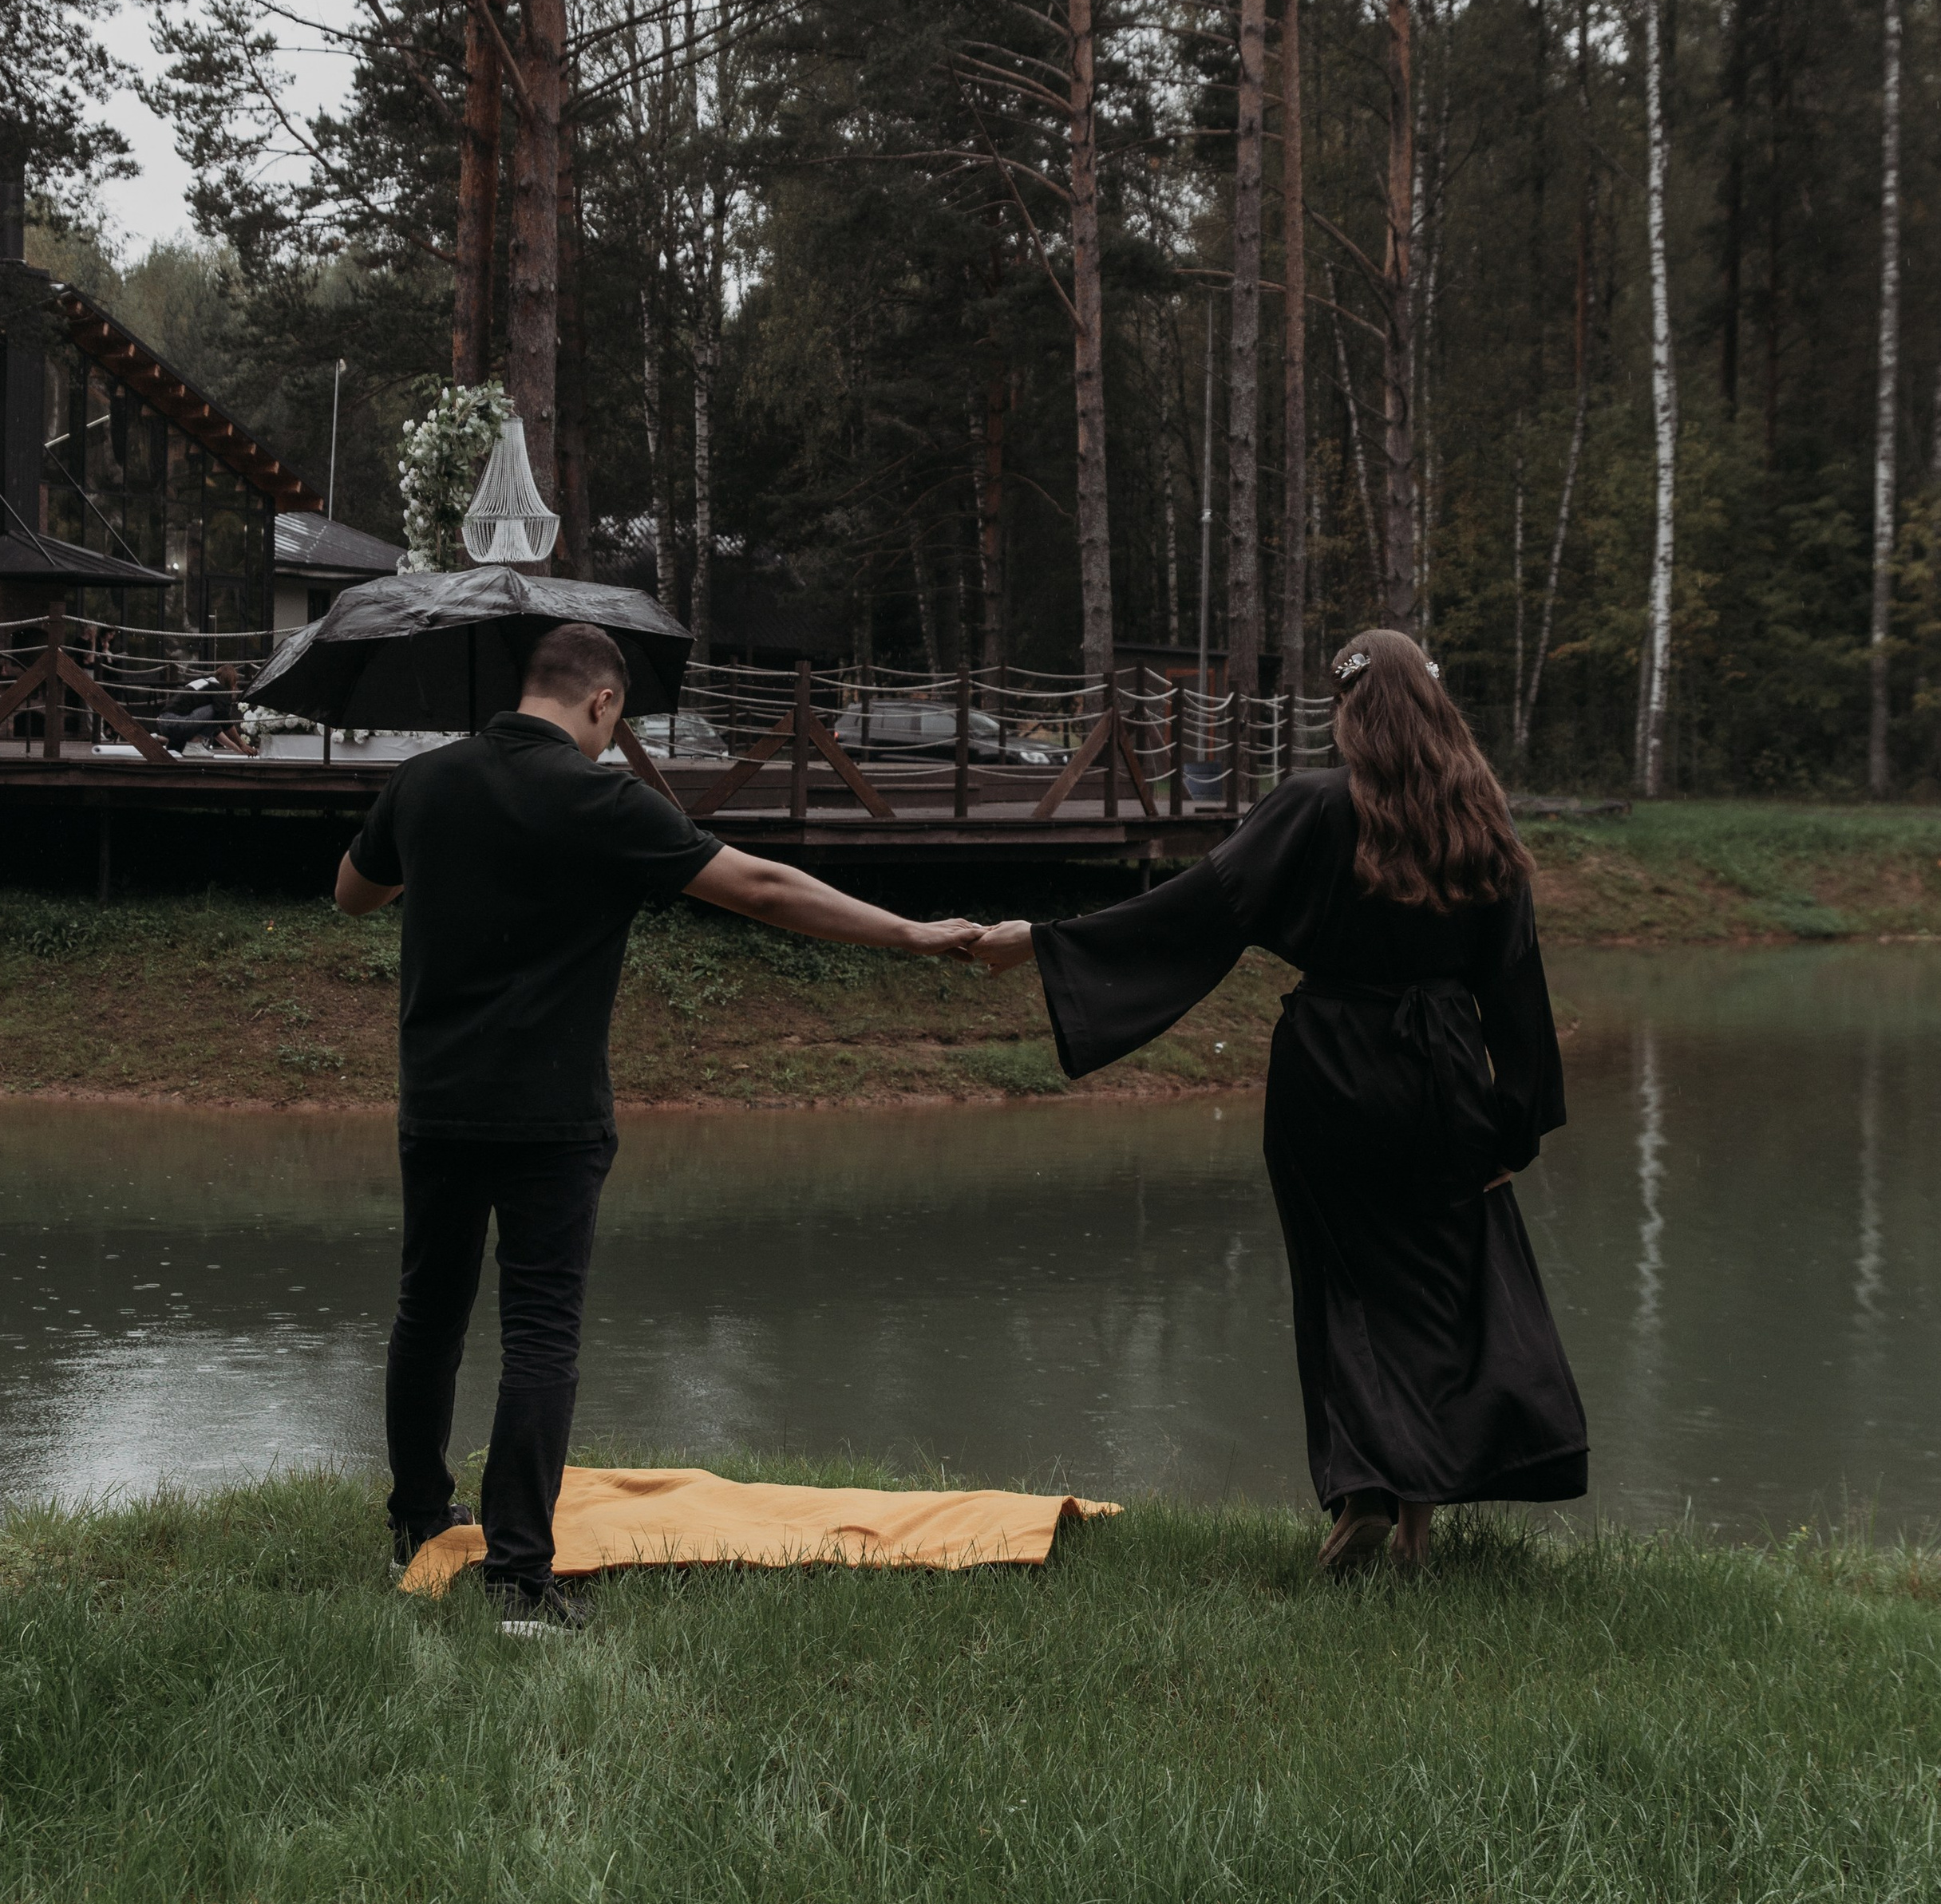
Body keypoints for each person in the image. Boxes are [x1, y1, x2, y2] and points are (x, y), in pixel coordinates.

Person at [336, 620, 982, 1634]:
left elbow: (351, 892)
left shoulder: (424, 782)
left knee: (430, 1310)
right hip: (551, 1113)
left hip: (440, 1101)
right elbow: (761, 887)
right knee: (539, 1327)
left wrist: (449, 848)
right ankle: (518, 1581)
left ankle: (420, 1518)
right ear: (602, 702)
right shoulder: (601, 796)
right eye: (615, 719)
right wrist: (910, 931)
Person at [971, 629, 1586, 1577]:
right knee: (1430, 1289)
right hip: (1446, 1074)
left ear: (1350, 711)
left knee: (1343, 1281)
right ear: (1433, 707)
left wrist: (1052, 942)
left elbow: (1200, 910)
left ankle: (1364, 1492)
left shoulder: (1310, 804)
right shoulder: (1480, 813)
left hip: (1332, 1071)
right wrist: (1517, 1120)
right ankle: (1415, 1524)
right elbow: (1515, 979)